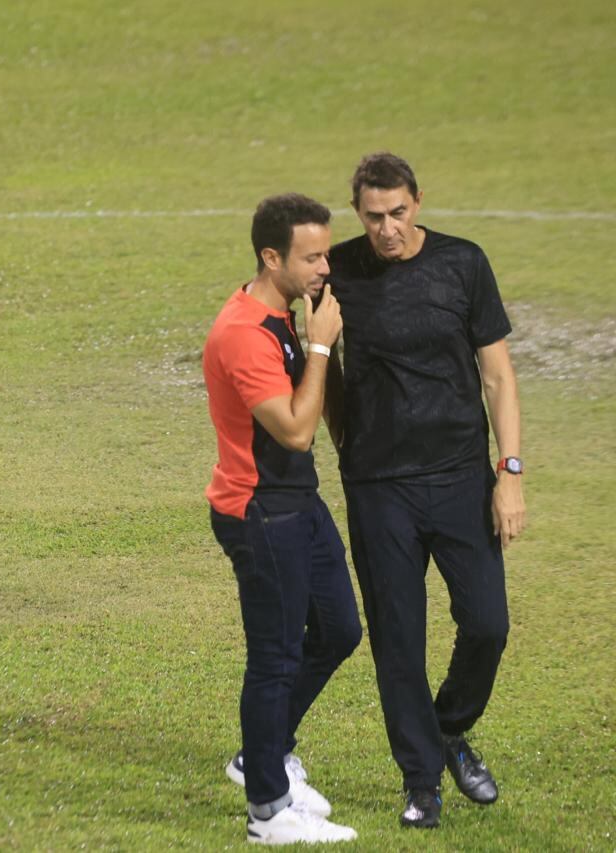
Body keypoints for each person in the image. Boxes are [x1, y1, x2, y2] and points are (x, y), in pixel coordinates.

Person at [328, 152, 525, 828]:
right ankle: (422, 782)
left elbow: (497, 376)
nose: (386, 228)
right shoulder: (340, 273)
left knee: (487, 624)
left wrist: (511, 473)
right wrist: (343, 440)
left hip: (460, 477)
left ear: (418, 201)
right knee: (397, 637)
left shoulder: (463, 263)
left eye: (398, 212)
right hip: (378, 486)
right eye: (373, 215)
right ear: (358, 212)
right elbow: (322, 364)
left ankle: (446, 729)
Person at [203, 194, 361, 845]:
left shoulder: (286, 310)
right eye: (312, 256)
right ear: (272, 257)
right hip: (260, 511)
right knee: (275, 655)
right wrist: (321, 347)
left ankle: (261, 754)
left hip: (300, 502)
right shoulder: (245, 332)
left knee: (339, 629)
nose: (327, 266)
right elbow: (295, 430)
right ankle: (267, 808)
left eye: (326, 251)